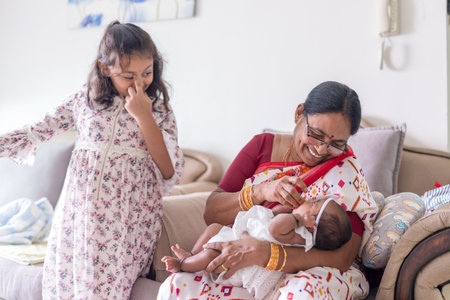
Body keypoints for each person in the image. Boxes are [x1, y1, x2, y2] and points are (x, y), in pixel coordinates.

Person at [0, 21, 184, 299]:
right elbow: (38, 130)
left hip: (128, 219)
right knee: (68, 285)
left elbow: (169, 168)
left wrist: (144, 117)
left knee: (107, 289)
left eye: (147, 73)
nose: (138, 83)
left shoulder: (157, 109)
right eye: (128, 75)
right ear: (105, 68)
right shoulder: (84, 101)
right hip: (79, 215)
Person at [157, 81, 379, 299]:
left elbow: (344, 256)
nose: (321, 149)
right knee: (178, 285)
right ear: (299, 113)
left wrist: (265, 254)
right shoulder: (262, 146)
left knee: (301, 293)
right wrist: (261, 192)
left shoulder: (344, 172)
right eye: (316, 134)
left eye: (336, 144)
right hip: (240, 260)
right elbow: (212, 213)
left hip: (312, 269)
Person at [162, 197, 351, 299]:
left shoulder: (302, 236)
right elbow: (272, 216)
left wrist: (297, 218)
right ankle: (193, 255)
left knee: (213, 253)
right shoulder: (297, 227)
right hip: (241, 241)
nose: (309, 200)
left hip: (246, 265)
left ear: (313, 225)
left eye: (314, 204)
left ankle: (184, 265)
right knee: (213, 229)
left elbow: (273, 228)